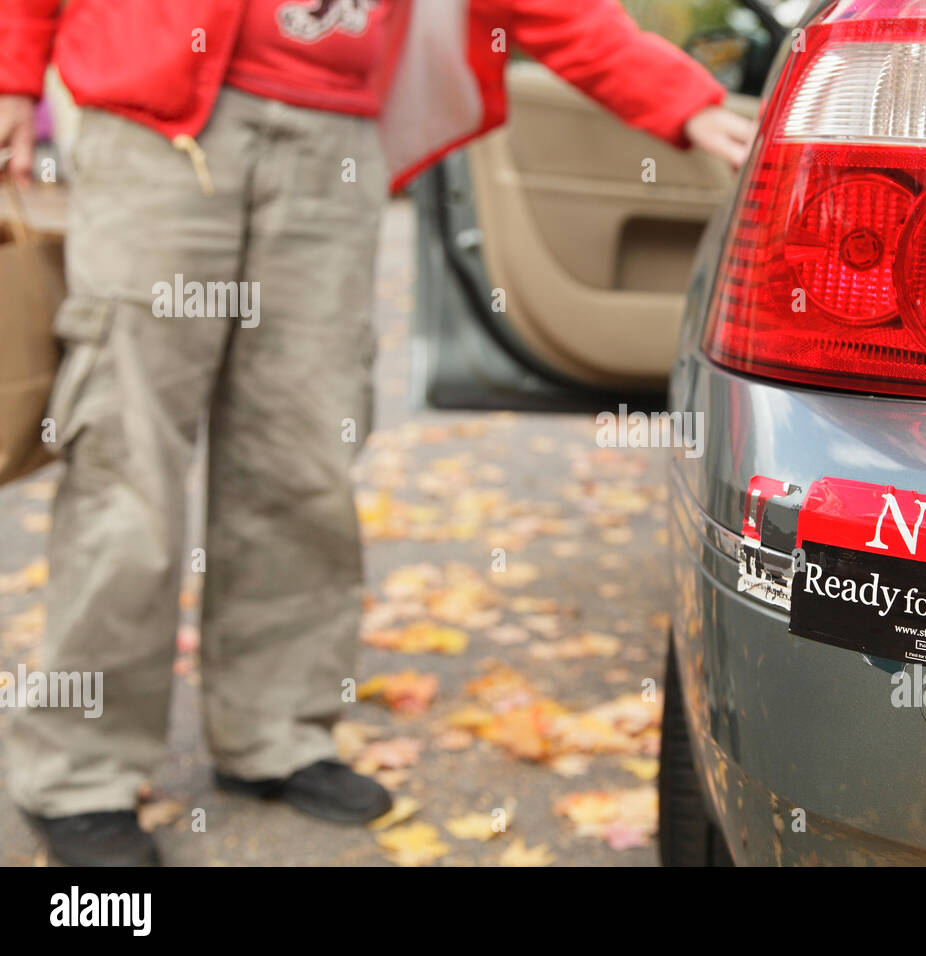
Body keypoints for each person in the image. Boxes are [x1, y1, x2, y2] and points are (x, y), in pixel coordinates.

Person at [0, 0, 755, 867]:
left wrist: (677, 96)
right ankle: (80, 774)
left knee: (303, 455)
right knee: (126, 463)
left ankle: (275, 731)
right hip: (155, 129)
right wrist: (12, 75)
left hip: (335, 137)